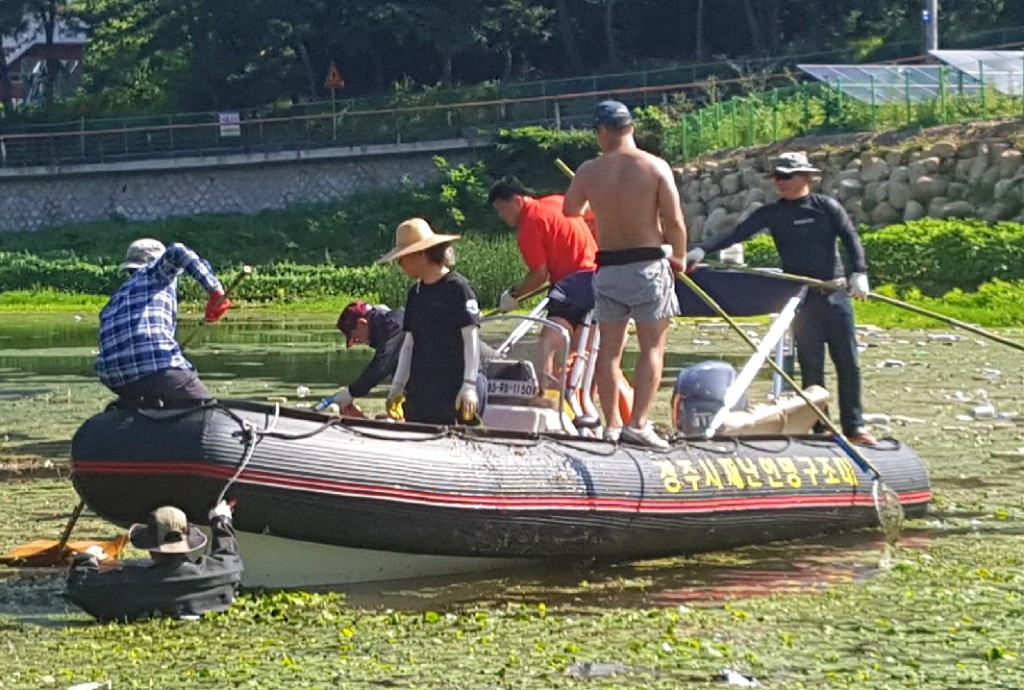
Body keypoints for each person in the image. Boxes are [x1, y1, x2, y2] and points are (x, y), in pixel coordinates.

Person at [685, 151, 877, 446]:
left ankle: (855, 426)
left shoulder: (826, 207)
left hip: (835, 294)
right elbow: (738, 233)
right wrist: (701, 250)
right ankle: (818, 427)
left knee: (848, 363)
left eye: (787, 176)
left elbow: (851, 239)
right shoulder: (773, 213)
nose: (780, 182)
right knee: (811, 364)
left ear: (805, 177)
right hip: (801, 298)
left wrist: (859, 273)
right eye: (777, 176)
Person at [563, 100, 688, 449]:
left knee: (609, 351)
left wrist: (596, 201)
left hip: (608, 269)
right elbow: (675, 221)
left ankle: (612, 425)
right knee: (652, 347)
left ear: (603, 131)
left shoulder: (588, 171)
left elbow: (571, 209)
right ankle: (639, 423)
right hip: (647, 266)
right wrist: (678, 256)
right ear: (630, 128)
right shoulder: (654, 166)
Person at [488, 176, 599, 386]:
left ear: (517, 201)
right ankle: (580, 408)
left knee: (546, 345)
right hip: (599, 280)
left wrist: (514, 295)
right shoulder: (558, 201)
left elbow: (539, 275)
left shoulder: (530, 224)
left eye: (502, 209)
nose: (501, 215)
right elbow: (592, 215)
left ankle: (541, 397)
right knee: (582, 353)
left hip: (573, 284)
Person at [96, 239, 232, 405]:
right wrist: (215, 290)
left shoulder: (115, 299)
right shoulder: (155, 274)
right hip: (153, 366)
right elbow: (178, 251)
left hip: (114, 378)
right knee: (207, 408)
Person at [377, 218, 482, 426]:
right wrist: (397, 386)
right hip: (420, 394)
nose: (400, 264)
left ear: (421, 254)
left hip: (452, 393)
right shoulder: (415, 294)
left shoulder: (459, 289)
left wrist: (469, 385)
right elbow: (409, 344)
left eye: (403, 257)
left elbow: (471, 339)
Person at [66, 501, 243, 622]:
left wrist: (87, 559)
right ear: (189, 545)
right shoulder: (224, 573)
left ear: (151, 550)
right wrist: (222, 521)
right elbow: (230, 557)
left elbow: (80, 587)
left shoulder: (132, 582)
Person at [313, 300, 405, 412]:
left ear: (362, 323)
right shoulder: (389, 328)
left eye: (355, 338)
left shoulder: (395, 325)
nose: (359, 342)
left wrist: (351, 392)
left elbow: (382, 366)